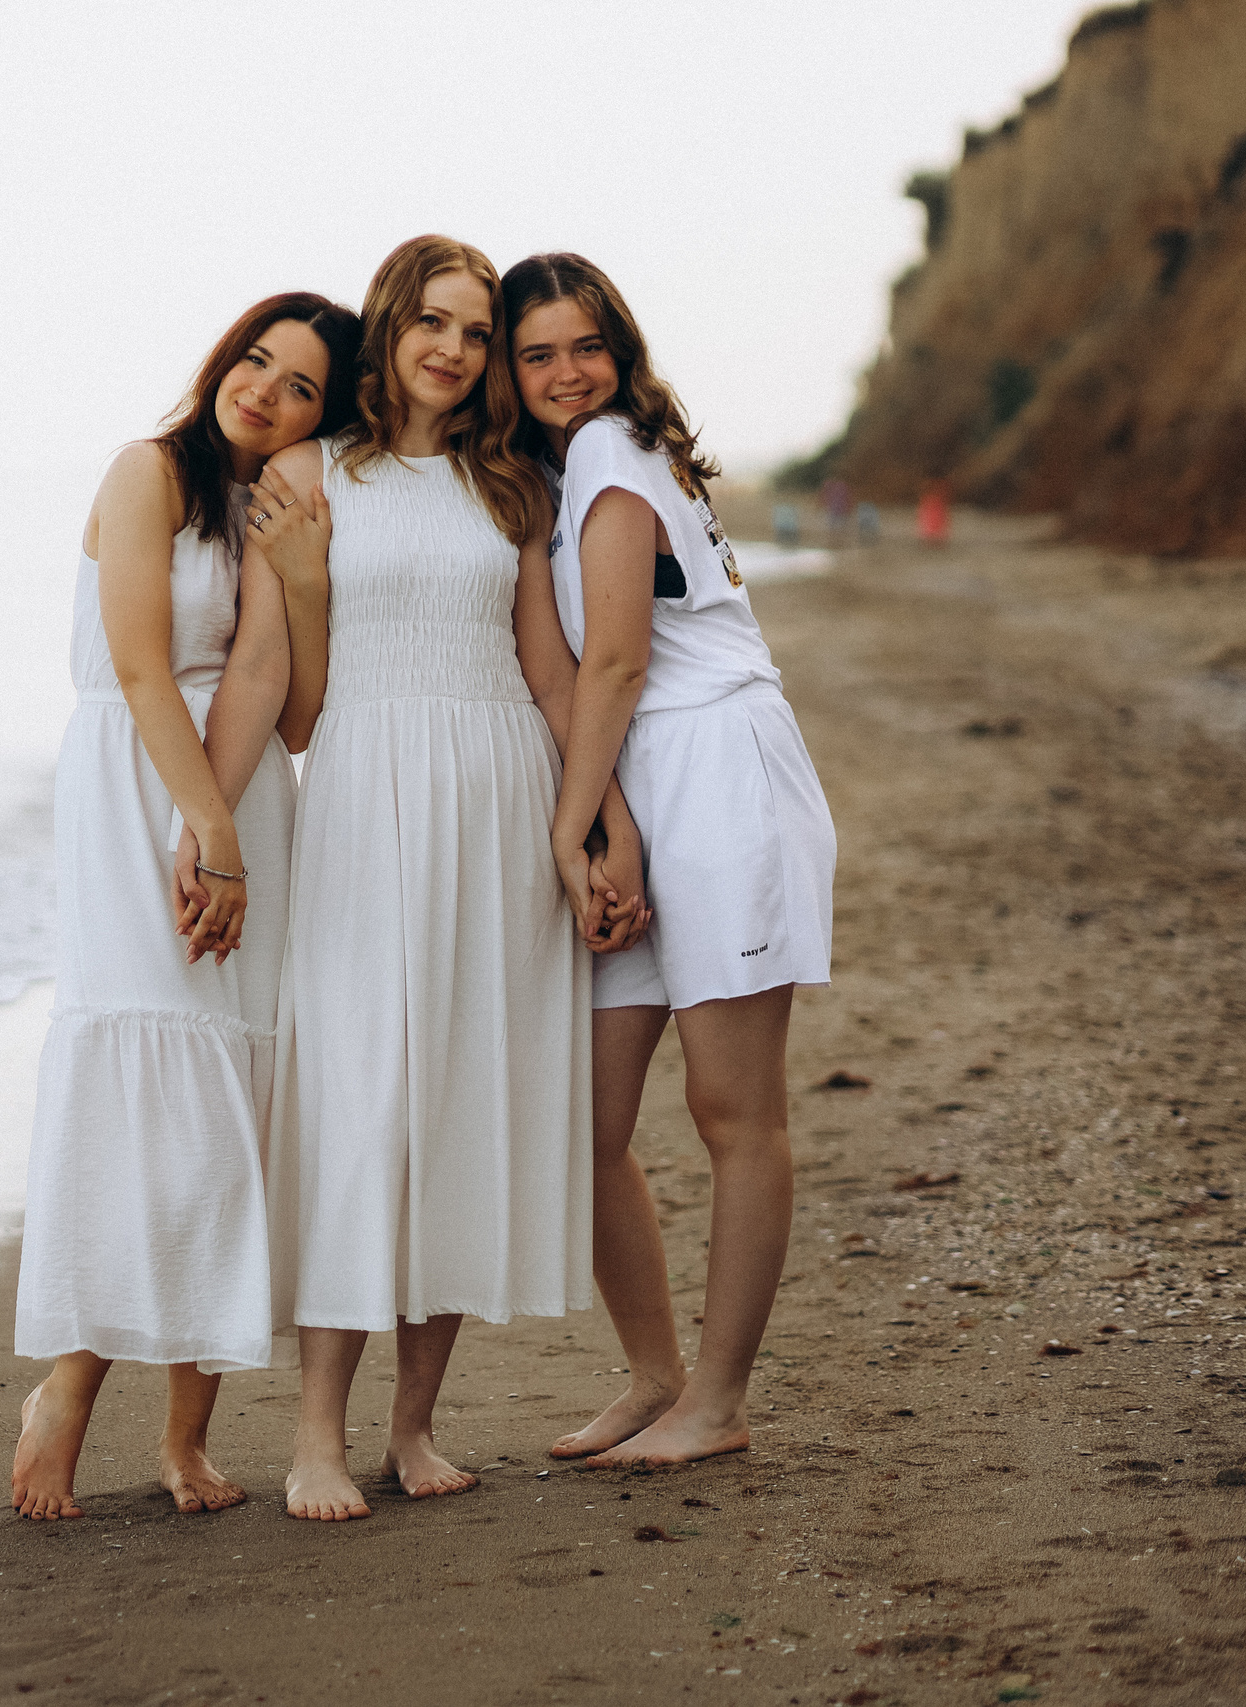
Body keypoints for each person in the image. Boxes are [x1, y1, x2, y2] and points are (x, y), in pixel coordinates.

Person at [244, 236, 629, 1522]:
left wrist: (595, 828)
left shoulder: (508, 484)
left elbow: (554, 676)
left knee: (458, 1104)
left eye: (475, 331)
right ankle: (314, 1437)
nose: (455, 350)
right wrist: (206, 825)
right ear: (389, 329)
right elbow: (285, 703)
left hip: (499, 802)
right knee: (362, 1105)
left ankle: (412, 1429)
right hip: (363, 801)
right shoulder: (305, 475)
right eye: (433, 323)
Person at [11, 293, 364, 1521]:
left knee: (231, 1107)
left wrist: (309, 578)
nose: (265, 391)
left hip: (244, 791)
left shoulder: (278, 504)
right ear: (224, 360)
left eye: (302, 385)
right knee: (148, 1096)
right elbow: (137, 663)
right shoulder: (145, 470)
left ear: (329, 412)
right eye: (256, 362)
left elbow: (304, 711)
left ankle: (185, 1436)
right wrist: (204, 830)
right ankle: (66, 1391)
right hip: (140, 790)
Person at [501, 251, 837, 1466]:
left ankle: (720, 1400)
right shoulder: (572, 466)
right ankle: (654, 1377)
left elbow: (621, 664)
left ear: (620, 349)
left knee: (732, 1109)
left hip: (718, 775)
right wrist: (606, 820)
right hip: (646, 778)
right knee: (581, 1117)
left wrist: (571, 822)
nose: (565, 373)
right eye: (536, 353)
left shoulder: (609, 453)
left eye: (585, 346)